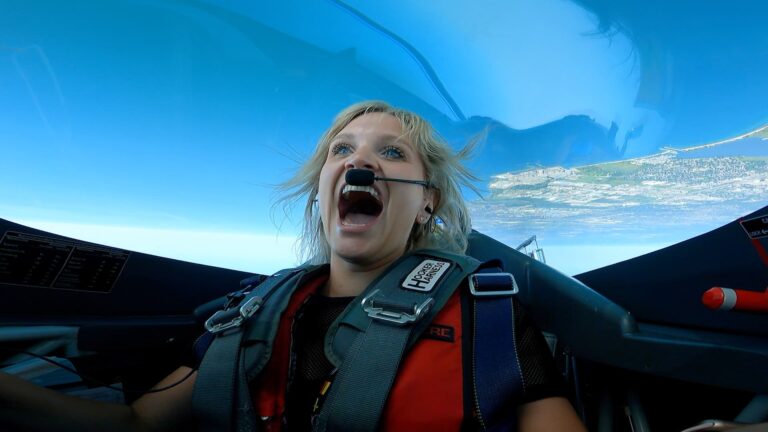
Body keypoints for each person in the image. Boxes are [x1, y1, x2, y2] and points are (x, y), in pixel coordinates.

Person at [0, 100, 587, 431]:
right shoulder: (246, 314)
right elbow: (136, 426)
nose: (360, 161)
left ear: (426, 199)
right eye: (341, 150)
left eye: (390, 151)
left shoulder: (489, 316)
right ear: (321, 191)